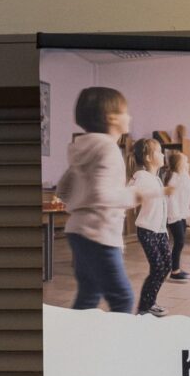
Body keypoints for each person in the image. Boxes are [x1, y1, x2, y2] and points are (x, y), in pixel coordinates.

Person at [57, 87, 157, 313]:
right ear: (112, 118)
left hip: (77, 231)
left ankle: (72, 333)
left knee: (89, 294)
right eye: (126, 112)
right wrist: (135, 195)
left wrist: (79, 203)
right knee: (122, 298)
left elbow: (63, 189)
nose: (129, 117)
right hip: (98, 234)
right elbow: (102, 195)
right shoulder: (109, 149)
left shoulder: (82, 148)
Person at [129, 138, 172, 316]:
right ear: (148, 157)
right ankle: (144, 307)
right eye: (159, 151)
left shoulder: (156, 178)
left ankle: (150, 302)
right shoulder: (141, 176)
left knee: (166, 266)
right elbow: (129, 193)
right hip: (147, 230)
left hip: (160, 231)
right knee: (158, 267)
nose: (163, 154)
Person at [163, 151, 190, 281]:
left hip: (181, 214)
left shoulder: (182, 175)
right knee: (179, 242)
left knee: (180, 242)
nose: (188, 163)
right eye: (185, 161)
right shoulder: (175, 178)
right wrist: (176, 215)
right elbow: (172, 200)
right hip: (174, 215)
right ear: (179, 164)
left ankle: (176, 269)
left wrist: (187, 212)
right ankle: (174, 272)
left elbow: (183, 198)